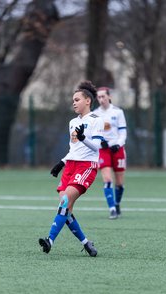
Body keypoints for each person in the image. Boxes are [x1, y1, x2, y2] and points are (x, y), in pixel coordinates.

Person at [39, 80, 104, 257]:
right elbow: (73, 148)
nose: (73, 102)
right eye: (73, 100)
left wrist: (84, 138)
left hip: (86, 167)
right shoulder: (72, 122)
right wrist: (61, 162)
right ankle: (86, 243)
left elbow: (97, 147)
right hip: (71, 166)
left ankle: (50, 240)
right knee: (66, 210)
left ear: (88, 101)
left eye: (77, 99)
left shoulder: (97, 120)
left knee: (64, 202)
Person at [94, 87, 127, 219]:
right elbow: (95, 134)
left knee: (119, 183)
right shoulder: (95, 114)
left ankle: (117, 203)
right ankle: (112, 208)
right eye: (99, 97)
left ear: (109, 96)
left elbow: (123, 133)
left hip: (117, 149)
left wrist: (118, 144)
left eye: (103, 96)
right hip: (103, 150)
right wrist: (101, 141)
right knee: (108, 179)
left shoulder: (118, 112)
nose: (101, 99)